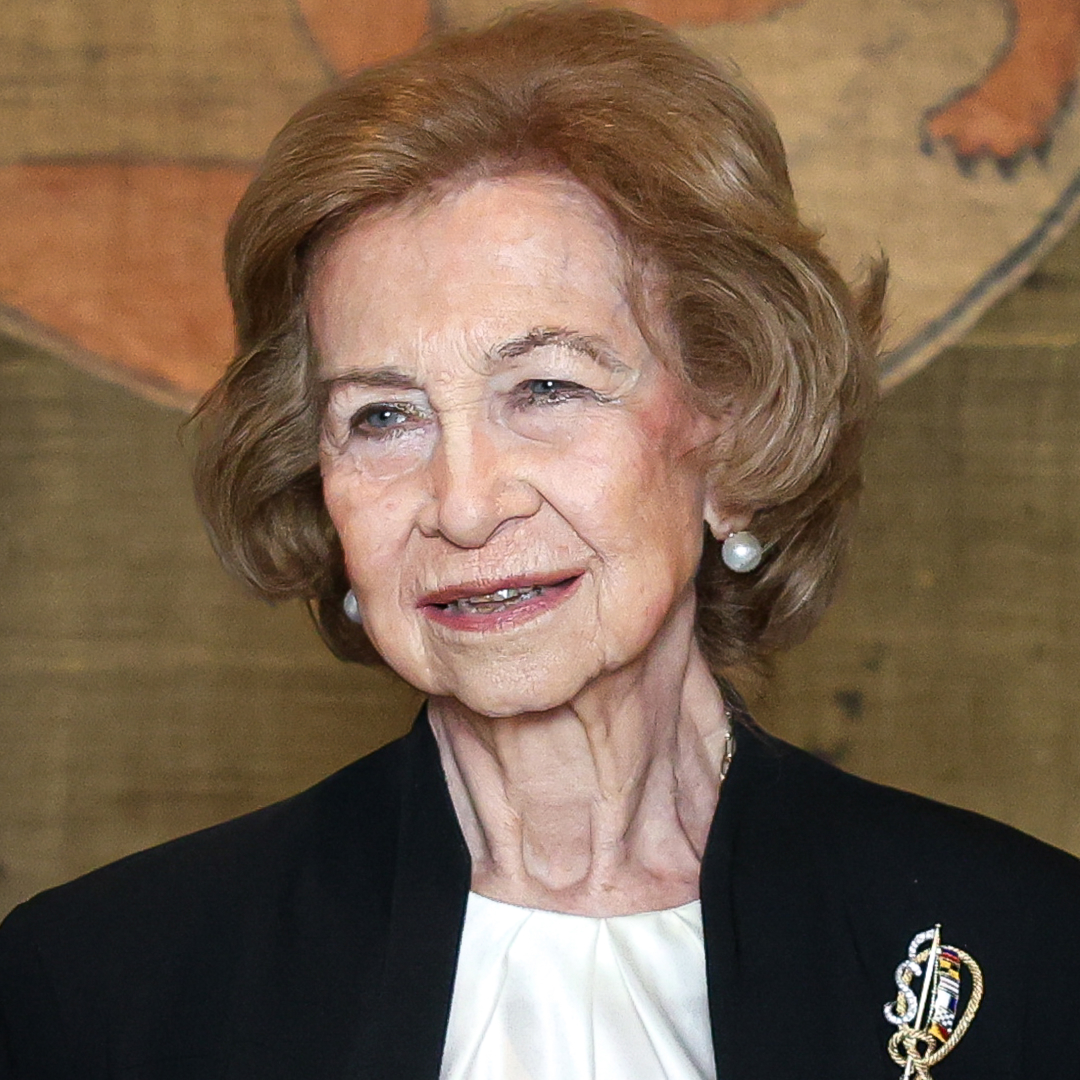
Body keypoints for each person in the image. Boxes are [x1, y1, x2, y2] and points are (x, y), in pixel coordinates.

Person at [2, 5, 1079, 1078]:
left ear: (735, 433)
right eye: (383, 416)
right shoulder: (103, 988)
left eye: (547, 387)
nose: (463, 505)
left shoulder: (1034, 955)